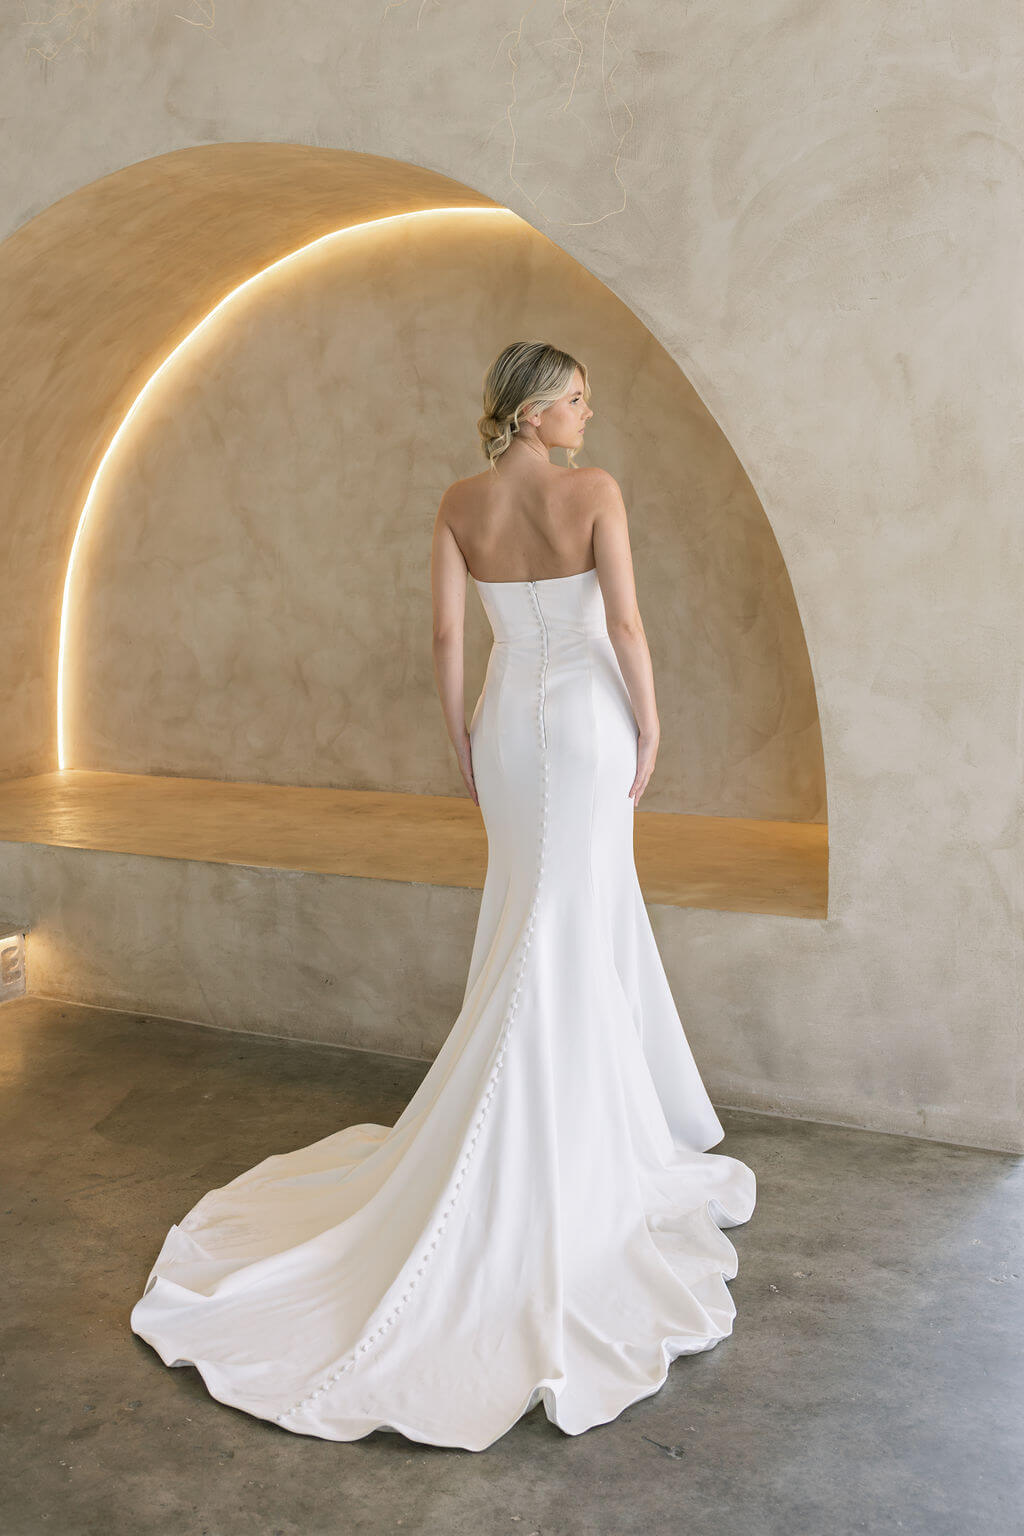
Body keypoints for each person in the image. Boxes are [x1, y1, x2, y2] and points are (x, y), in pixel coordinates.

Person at [129, 340, 756, 1452]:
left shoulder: (460, 503)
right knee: (558, 927)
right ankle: (550, 1150)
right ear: (530, 414)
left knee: (541, 920)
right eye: (574, 398)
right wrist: (653, 724)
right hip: (589, 724)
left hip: (510, 727)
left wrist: (459, 743)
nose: (588, 412)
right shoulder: (594, 494)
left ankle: (558, 1122)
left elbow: (445, 635)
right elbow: (623, 627)